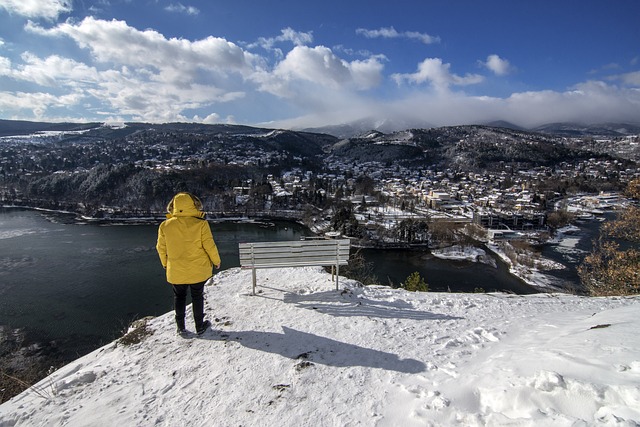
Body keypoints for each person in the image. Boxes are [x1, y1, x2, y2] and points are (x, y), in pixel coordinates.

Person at [156, 192, 221, 336]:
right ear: (194, 205)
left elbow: (161, 248)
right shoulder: (201, 224)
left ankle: (181, 327)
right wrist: (216, 261)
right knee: (197, 296)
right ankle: (200, 326)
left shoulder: (165, 226)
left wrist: (165, 264)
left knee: (179, 297)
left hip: (176, 269)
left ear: (173, 206)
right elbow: (209, 246)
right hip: (198, 269)